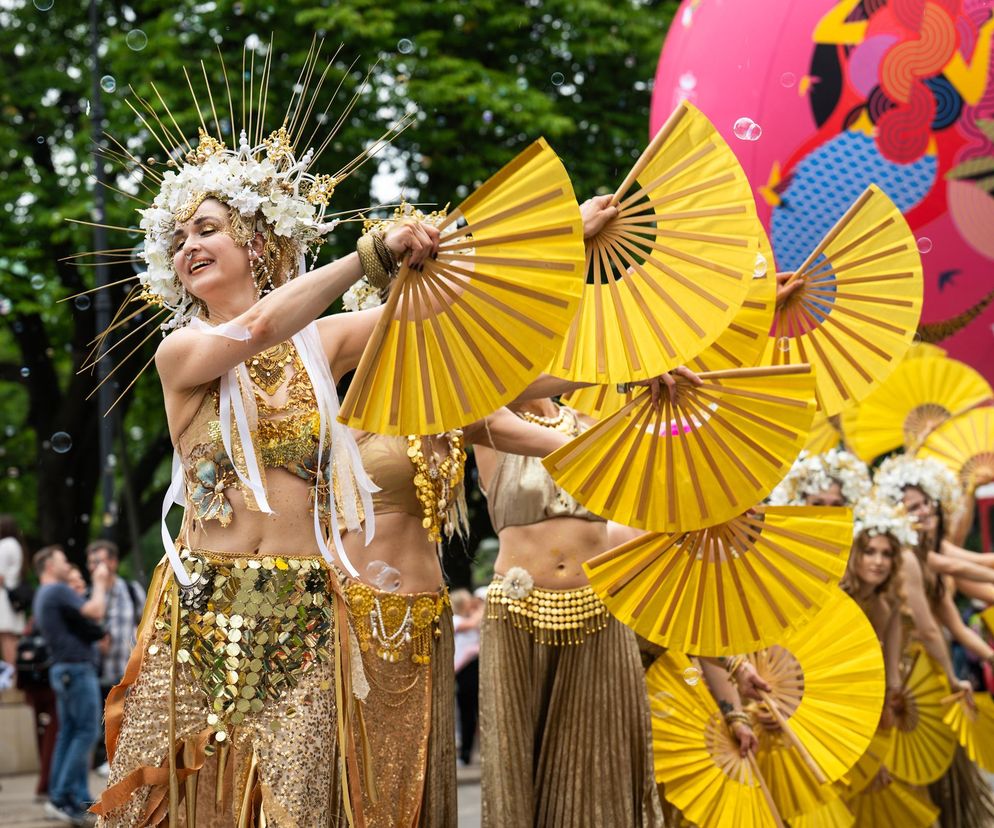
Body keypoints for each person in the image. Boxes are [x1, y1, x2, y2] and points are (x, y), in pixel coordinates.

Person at [88, 103, 441, 826]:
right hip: (206, 606)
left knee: (296, 808)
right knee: (183, 806)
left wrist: (557, 240)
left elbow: (442, 312)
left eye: (208, 228)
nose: (188, 243)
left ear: (256, 243)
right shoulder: (181, 351)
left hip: (307, 608)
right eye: (179, 237)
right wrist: (368, 255)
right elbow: (255, 328)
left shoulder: (326, 342)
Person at [32, 545, 110, 826]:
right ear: (50, 566)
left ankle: (68, 795)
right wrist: (100, 583)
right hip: (76, 670)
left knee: (69, 733)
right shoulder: (57, 590)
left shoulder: (44, 594)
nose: (68, 564)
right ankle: (62, 797)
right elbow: (95, 609)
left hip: (63, 670)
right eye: (63, 560)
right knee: (86, 731)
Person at [85, 541, 145, 774]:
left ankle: (126, 761)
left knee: (128, 716)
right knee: (105, 720)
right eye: (91, 562)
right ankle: (107, 760)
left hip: (126, 668)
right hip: (99, 670)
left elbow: (144, 624)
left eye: (98, 561)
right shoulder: (90, 594)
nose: (94, 567)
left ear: (113, 562)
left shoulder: (130, 590)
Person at [451, 589, 482, 766]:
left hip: (473, 668)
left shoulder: (469, 619)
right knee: (467, 712)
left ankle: (469, 751)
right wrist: (481, 608)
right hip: (464, 670)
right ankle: (465, 753)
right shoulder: (457, 620)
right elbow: (471, 624)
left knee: (473, 712)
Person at [0, 514, 28, 667]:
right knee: (13, 638)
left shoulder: (5, 544)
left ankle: (12, 673)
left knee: (6, 637)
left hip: (5, 598)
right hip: (13, 597)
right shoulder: (16, 545)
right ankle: (16, 673)